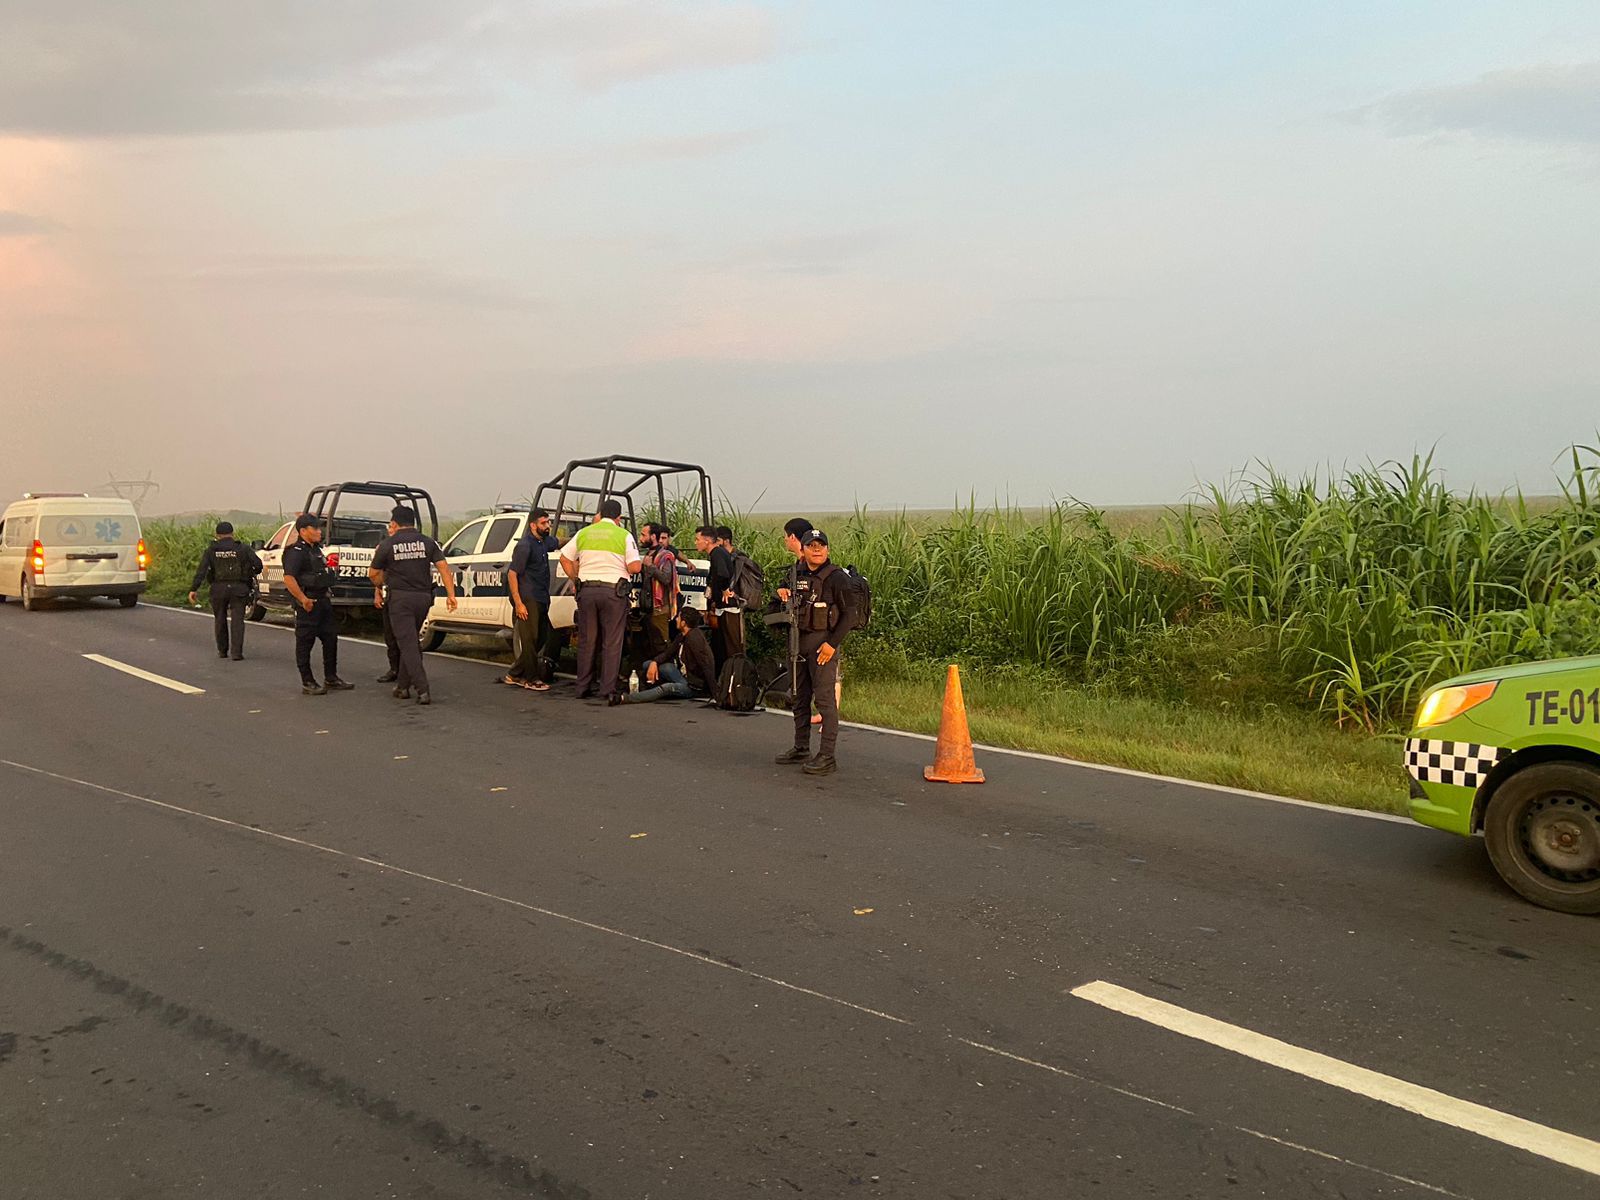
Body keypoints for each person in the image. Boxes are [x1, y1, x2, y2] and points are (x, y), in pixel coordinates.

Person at [775, 530, 860, 776]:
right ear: (803, 549)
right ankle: (801, 747)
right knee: (799, 697)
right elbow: (780, 596)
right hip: (798, 644)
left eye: (821, 545)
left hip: (823, 645)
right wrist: (781, 592)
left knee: (824, 701)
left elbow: (850, 615)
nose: (816, 549)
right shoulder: (795, 573)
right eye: (811, 545)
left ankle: (827, 756)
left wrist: (832, 644)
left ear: (828, 550)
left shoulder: (836, 578)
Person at [370, 506, 457, 706]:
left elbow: (373, 574)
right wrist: (451, 595)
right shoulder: (428, 542)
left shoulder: (387, 544)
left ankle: (422, 689)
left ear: (394, 523)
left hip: (400, 599)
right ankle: (402, 686)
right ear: (414, 522)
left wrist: (380, 584)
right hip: (423, 598)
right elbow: (443, 568)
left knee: (408, 644)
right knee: (410, 639)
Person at [559, 498, 641, 706]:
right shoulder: (624, 535)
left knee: (588, 641)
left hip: (587, 592)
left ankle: (582, 687)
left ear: (600, 513)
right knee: (612, 642)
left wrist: (576, 579)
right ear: (618, 518)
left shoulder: (585, 533)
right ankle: (606, 689)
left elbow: (565, 558)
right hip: (613, 593)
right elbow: (634, 568)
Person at [281, 514, 353, 695]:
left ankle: (331, 677)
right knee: (305, 642)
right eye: (316, 529)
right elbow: (289, 578)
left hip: (323, 601)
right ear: (303, 531)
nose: (319, 532)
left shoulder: (316, 550)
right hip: (308, 602)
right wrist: (303, 599)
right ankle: (307, 681)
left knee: (330, 639)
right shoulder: (295, 551)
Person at [503, 508, 560, 691]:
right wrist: (518, 603)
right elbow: (512, 574)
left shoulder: (543, 542)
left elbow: (559, 543)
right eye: (544, 523)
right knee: (530, 638)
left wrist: (579, 540)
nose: (548, 526)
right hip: (528, 597)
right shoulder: (525, 545)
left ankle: (514, 673)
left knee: (542, 637)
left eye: (548, 522)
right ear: (533, 525)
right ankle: (531, 679)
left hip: (542, 597)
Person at [188, 520, 262, 661]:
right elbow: (258, 564)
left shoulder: (211, 550)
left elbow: (202, 571)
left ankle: (222, 651)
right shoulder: (243, 548)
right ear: (232, 534)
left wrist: (194, 589)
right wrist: (251, 573)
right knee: (237, 621)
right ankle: (236, 653)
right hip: (239, 588)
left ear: (217, 535)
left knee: (220, 619)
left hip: (218, 589)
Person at [625, 607, 717, 703]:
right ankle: (648, 686)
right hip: (683, 677)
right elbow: (667, 653)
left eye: (678, 617)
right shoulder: (682, 636)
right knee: (648, 664)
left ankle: (627, 698)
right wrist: (654, 662)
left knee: (665, 688)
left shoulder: (695, 639)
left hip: (693, 686)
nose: (676, 619)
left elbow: (706, 665)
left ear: (683, 623)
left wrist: (714, 693)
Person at [640, 523, 681, 658]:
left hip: (660, 607)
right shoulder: (649, 553)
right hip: (648, 607)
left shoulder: (665, 555)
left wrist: (650, 566)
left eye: (643, 535)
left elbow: (666, 579)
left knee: (661, 644)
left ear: (653, 537)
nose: (640, 538)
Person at [698, 524, 735, 668]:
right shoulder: (718, 553)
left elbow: (723, 574)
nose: (696, 543)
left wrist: (724, 589)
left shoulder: (717, 554)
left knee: (725, 646)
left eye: (697, 539)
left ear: (707, 541)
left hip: (725, 609)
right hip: (720, 608)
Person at [376, 517, 403, 683]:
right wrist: (377, 592)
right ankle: (394, 669)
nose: (390, 530)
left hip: (403, 595)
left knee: (404, 637)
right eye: (389, 527)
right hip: (388, 593)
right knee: (389, 636)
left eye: (392, 527)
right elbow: (377, 572)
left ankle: (407, 672)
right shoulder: (384, 547)